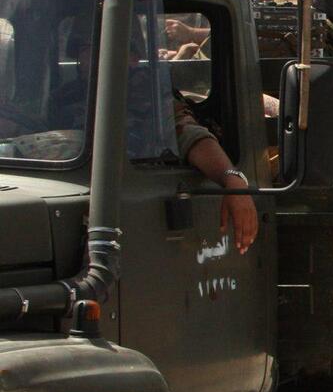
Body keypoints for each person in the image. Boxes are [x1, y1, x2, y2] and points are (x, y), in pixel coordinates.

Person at [52, 28, 259, 253]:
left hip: (133, 209)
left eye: (102, 49)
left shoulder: (149, 93)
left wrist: (232, 179)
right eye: (85, 50)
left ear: (132, 57)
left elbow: (188, 134)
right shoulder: (65, 96)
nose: (90, 58)